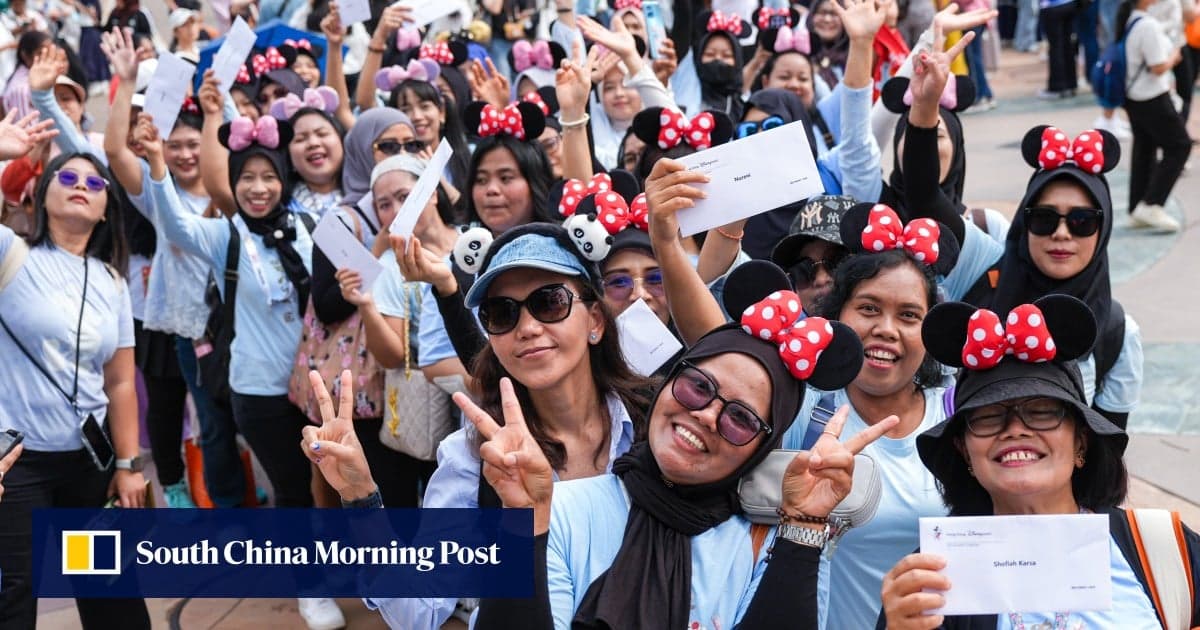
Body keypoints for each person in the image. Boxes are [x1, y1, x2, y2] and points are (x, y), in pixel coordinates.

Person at [307, 223, 651, 629]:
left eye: (551, 302)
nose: (527, 327)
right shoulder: (473, 456)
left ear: (595, 320)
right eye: (501, 313)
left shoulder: (654, 424)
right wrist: (360, 496)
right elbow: (416, 611)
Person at [881, 294, 1200, 628]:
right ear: (965, 452)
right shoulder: (934, 577)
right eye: (989, 417)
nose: (1016, 430)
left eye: (1042, 412)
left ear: (1081, 440)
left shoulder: (1163, 546)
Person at [0, 151, 150, 629]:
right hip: (17, 462)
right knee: (14, 591)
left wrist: (128, 466)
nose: (80, 184)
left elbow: (121, 381)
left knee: (107, 585)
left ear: (107, 207)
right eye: (65, 176)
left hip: (89, 462)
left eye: (95, 181)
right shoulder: (11, 254)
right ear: (43, 196)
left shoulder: (112, 281)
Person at [1120, 0, 1190, 233]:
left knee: (1144, 149)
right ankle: (1152, 203)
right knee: (1179, 146)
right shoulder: (1146, 25)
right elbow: (1157, 66)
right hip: (1151, 96)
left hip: (1134, 96)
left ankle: (1137, 206)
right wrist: (1174, 57)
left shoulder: (1133, 20)